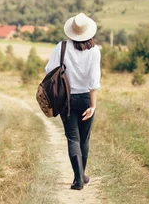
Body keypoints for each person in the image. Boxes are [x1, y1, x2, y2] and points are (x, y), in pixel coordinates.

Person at [44, 13, 101, 190]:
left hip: (65, 99)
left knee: (73, 139)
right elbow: (94, 80)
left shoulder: (60, 47)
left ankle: (78, 179)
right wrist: (93, 105)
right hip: (85, 98)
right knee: (84, 139)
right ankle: (81, 176)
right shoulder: (94, 51)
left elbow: (48, 70)